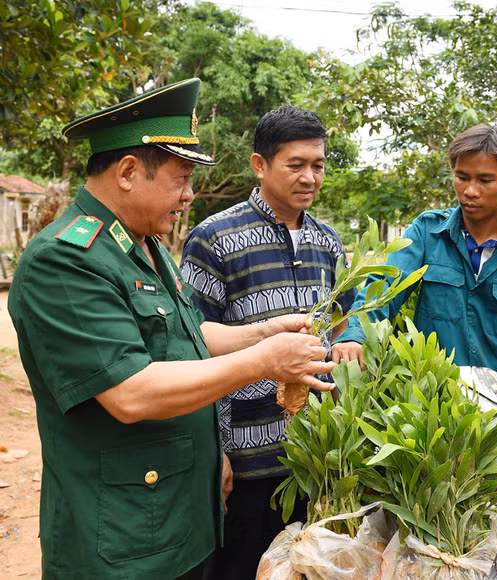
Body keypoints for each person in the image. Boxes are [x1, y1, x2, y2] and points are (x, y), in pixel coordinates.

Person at [8, 78, 336, 579]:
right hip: (121, 533)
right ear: (127, 172)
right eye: (181, 179)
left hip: (179, 513)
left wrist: (262, 333)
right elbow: (131, 391)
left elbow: (185, 338)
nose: (188, 196)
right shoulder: (66, 260)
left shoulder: (145, 246)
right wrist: (264, 362)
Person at [332, 124, 497, 580]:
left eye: (485, 180)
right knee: (436, 544)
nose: (470, 190)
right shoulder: (427, 234)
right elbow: (381, 290)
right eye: (462, 177)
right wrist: (355, 337)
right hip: (436, 421)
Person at [180, 104, 356, 579]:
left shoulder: (329, 243)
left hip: (312, 460)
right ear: (260, 165)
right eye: (295, 165)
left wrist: (349, 338)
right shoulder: (214, 238)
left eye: (318, 165)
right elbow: (191, 341)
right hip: (244, 459)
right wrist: (213, 450)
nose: (310, 177)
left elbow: (346, 319)